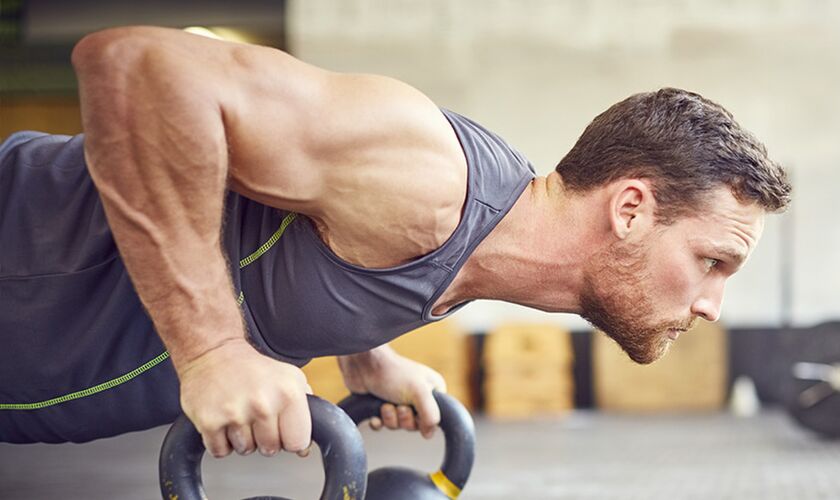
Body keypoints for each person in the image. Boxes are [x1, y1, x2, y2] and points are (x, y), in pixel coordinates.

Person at [0, 26, 791, 457]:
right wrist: (211, 350)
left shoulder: (480, 252)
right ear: (629, 209)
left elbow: (310, 245)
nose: (714, 305)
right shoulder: (427, 176)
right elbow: (133, 64)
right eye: (712, 262)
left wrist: (363, 349)